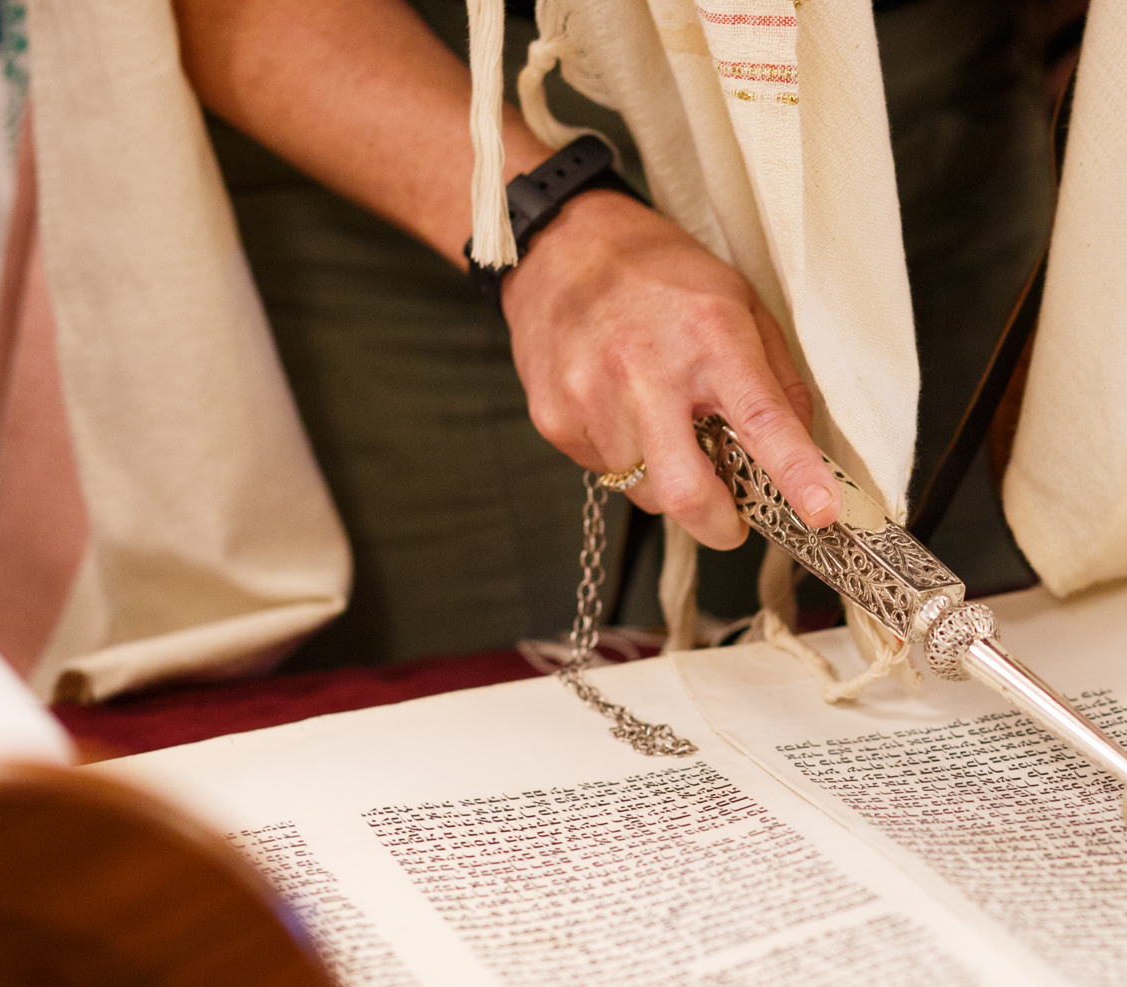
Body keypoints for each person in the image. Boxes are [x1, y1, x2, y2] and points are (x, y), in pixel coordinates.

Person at [174, 0, 1049, 667]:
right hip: (414, 99)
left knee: (937, 699)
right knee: (492, 735)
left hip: (923, 103)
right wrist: (541, 219)